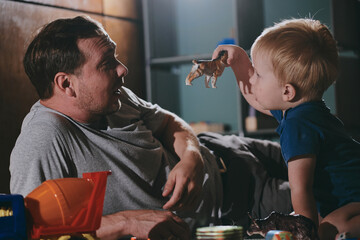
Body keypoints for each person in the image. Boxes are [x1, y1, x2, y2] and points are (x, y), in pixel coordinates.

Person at [10, 15, 222, 240]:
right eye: (106, 63)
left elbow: (169, 123)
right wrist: (125, 222)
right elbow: (33, 232)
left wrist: (192, 158)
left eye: (115, 56)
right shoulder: (42, 139)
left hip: (232, 161)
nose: (122, 69)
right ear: (67, 84)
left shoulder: (115, 96)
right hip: (225, 218)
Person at [212, 18, 360, 239]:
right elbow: (258, 98)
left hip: (354, 200)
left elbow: (301, 188)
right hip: (345, 199)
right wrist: (239, 61)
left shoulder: (297, 126)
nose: (252, 78)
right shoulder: (305, 110)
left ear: (287, 92)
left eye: (258, 74)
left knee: (328, 227)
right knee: (308, 221)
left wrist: (306, 232)